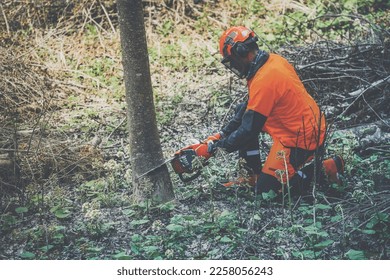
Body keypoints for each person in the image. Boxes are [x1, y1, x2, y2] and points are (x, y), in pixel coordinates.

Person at [177, 26, 344, 197]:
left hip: (300, 140)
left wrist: (215, 150)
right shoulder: (271, 62)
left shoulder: (265, 79)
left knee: (270, 193)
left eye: (231, 59)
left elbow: (249, 130)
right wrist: (218, 137)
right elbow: (246, 110)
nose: (232, 65)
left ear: (240, 53)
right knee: (242, 112)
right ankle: (252, 174)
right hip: (293, 129)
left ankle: (326, 168)